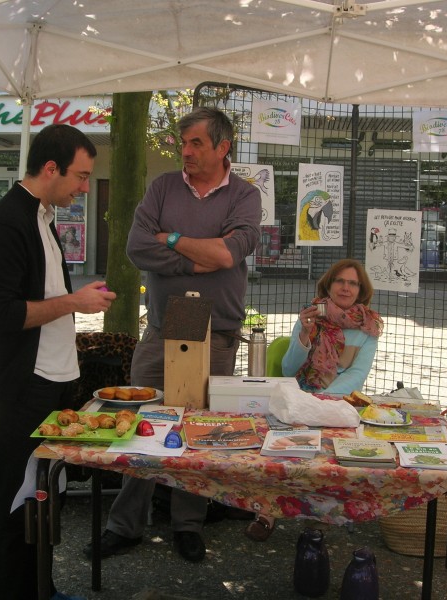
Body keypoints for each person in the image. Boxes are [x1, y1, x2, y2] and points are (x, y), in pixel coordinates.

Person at [95, 106, 261, 563]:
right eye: (183, 143)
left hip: (218, 333)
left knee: (200, 430)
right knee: (140, 425)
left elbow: (229, 255)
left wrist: (170, 239)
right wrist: (197, 258)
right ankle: (125, 525)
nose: (185, 151)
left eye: (195, 143)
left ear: (223, 147)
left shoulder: (245, 195)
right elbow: (136, 248)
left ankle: (188, 525)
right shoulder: (162, 187)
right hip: (162, 329)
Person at [0, 123, 115, 600]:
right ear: (51, 168)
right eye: (81, 176)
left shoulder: (42, 215)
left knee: (43, 494)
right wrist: (75, 302)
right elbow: (1, 314)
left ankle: (41, 589)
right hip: (20, 384)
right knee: (12, 501)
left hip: (50, 379)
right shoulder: (7, 223)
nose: (84, 187)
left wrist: (76, 299)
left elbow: (44, 292)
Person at [246, 258, 383, 542]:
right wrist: (304, 334)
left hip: (337, 402)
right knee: (280, 451)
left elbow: (357, 376)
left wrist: (320, 402)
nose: (345, 288)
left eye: (353, 283)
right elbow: (288, 369)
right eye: (340, 281)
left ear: (361, 290)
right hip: (298, 396)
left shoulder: (368, 328)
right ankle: (267, 513)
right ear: (328, 285)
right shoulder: (310, 317)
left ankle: (321, 517)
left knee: (332, 455)